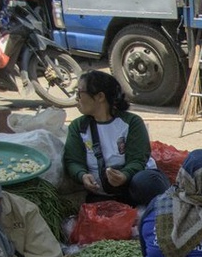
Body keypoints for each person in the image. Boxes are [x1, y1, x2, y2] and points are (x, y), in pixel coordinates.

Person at [63, 70, 169, 207]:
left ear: (100, 97)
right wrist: (82, 175)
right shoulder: (78, 126)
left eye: (79, 93)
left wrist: (124, 175)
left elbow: (138, 159)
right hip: (102, 193)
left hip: (135, 187)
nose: (77, 98)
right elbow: (73, 160)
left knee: (144, 182)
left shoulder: (131, 122)